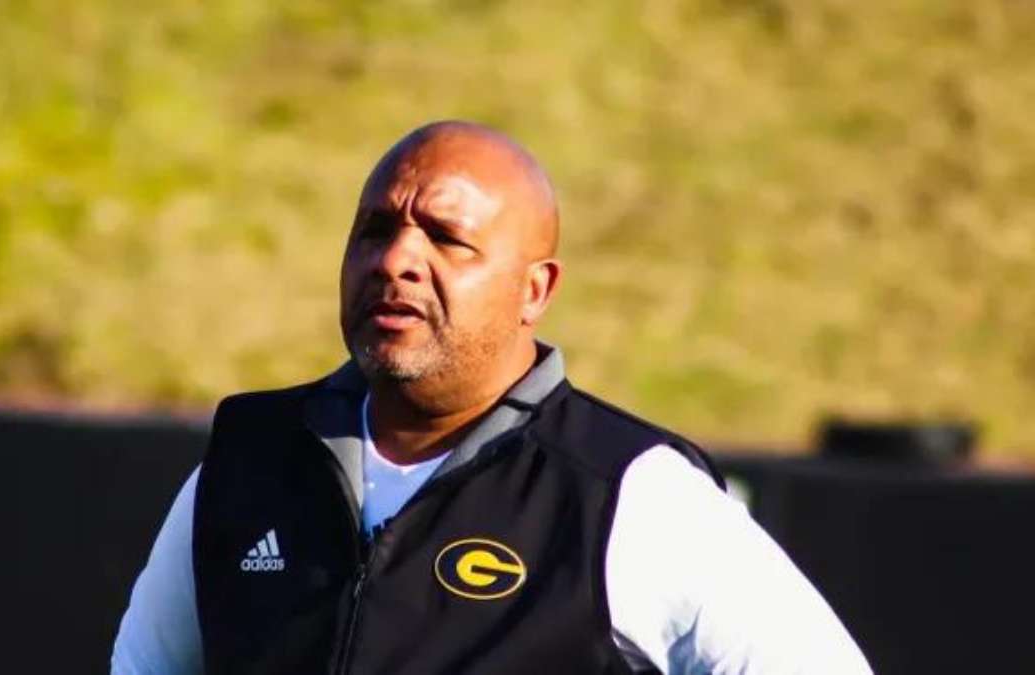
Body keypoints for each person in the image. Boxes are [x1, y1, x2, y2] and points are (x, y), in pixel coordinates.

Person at [111, 121, 871, 674]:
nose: (397, 260)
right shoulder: (247, 463)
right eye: (375, 229)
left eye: (446, 238)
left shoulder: (629, 494)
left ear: (534, 290)